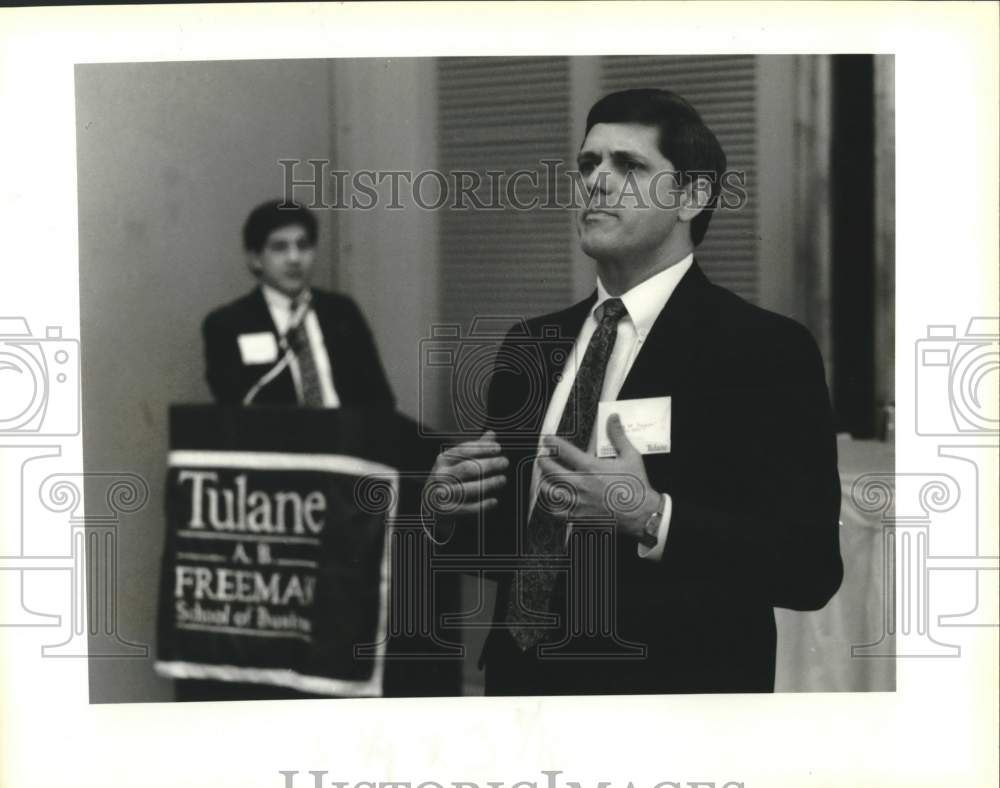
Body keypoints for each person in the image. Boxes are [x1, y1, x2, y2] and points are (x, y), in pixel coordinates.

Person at [423, 88, 844, 695]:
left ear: (692, 196)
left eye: (630, 166)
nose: (597, 181)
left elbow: (808, 568)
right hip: (523, 691)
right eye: (588, 164)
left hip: (676, 703)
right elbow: (517, 551)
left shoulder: (764, 349)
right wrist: (447, 511)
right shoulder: (531, 344)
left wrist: (650, 515)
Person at [202, 199, 394, 408]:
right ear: (255, 259)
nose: (294, 258)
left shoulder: (342, 312)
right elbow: (233, 406)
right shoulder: (227, 324)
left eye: (303, 246)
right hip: (274, 438)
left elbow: (380, 399)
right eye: (279, 247)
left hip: (348, 437)